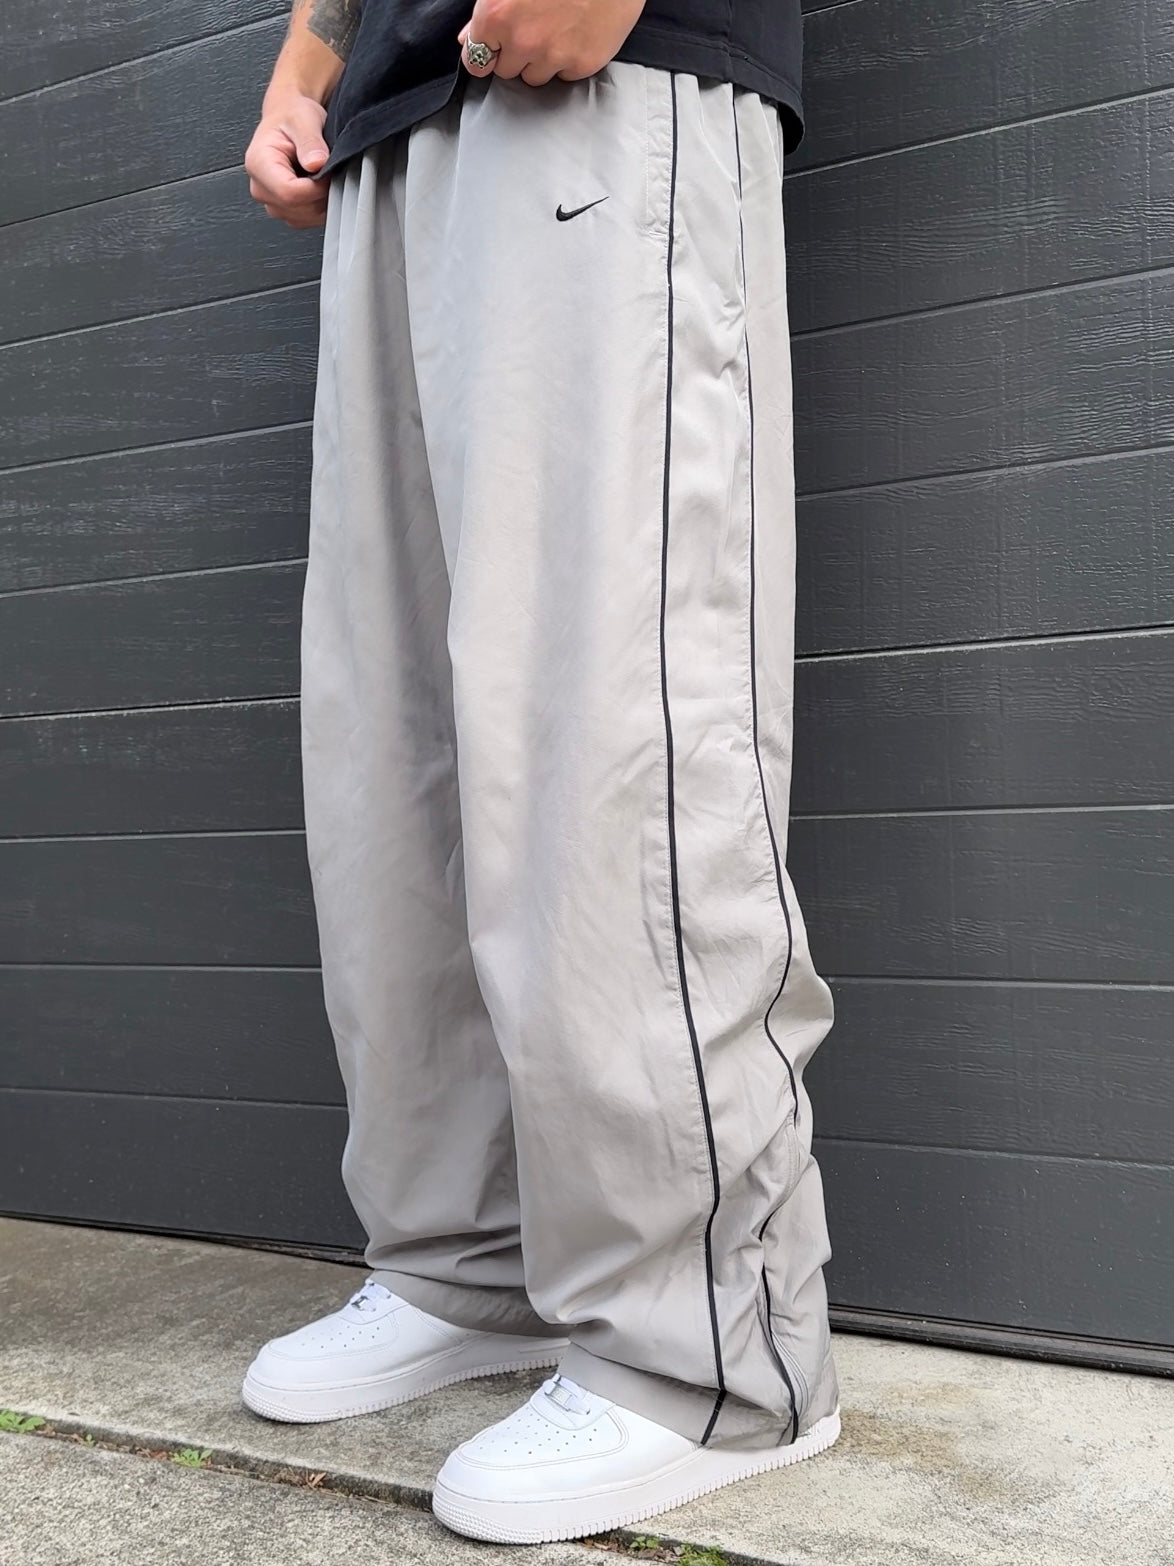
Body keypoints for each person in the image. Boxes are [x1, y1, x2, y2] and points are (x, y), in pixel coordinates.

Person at [242, 0, 841, 1543]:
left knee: (613, 716)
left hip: (613, 71)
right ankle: (468, 1262)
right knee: (400, 758)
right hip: (388, 130)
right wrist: (311, 61)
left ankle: (710, 1349)